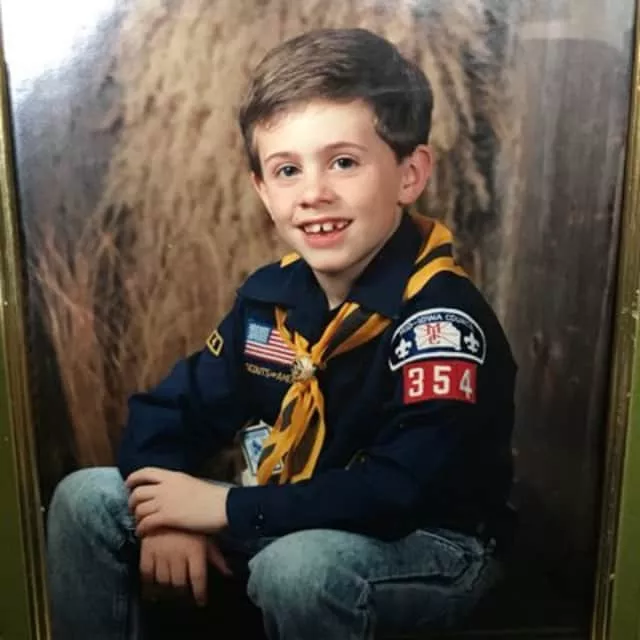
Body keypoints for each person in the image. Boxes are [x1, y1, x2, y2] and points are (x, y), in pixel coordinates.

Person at [47, 27, 517, 640]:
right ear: (263, 192)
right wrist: (168, 516)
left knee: (299, 569)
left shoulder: (439, 322)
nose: (314, 194)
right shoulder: (271, 301)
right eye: (288, 170)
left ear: (410, 173)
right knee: (86, 500)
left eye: (343, 162)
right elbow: (168, 411)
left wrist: (225, 509)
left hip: (430, 544)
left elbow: (398, 489)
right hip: (285, 514)